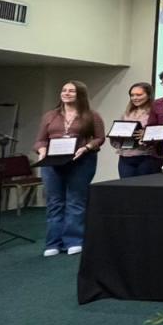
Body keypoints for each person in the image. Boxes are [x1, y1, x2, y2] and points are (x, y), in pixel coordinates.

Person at [33, 80, 105, 257]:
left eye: (71, 91)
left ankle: (74, 241)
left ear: (80, 94)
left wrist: (86, 147)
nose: (66, 93)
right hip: (52, 163)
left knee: (76, 201)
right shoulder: (50, 116)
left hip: (81, 162)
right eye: (64, 90)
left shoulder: (91, 115)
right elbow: (40, 140)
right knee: (54, 202)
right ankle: (53, 243)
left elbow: (99, 138)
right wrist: (42, 151)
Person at [111, 82, 159, 177]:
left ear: (149, 95)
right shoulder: (127, 113)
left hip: (146, 156)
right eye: (132, 95)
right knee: (126, 185)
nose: (135, 98)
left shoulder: (154, 113)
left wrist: (146, 134)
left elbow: (159, 133)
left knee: (143, 185)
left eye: (139, 95)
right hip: (125, 157)